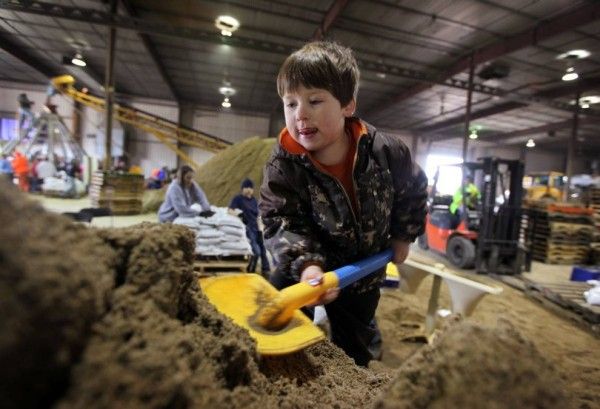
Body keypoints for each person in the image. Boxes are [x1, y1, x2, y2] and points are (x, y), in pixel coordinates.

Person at [259, 41, 428, 366]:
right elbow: (281, 218)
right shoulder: (283, 165)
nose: (300, 114)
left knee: (356, 344)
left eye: (315, 100)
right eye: (290, 103)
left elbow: (413, 190)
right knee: (286, 331)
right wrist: (307, 264)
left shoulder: (388, 152)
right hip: (304, 271)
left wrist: (403, 234)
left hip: (362, 270)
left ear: (347, 105)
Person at [229, 178, 271, 275]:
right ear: (242, 189)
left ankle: (266, 271)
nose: (248, 190)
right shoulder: (238, 199)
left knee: (263, 250)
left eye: (250, 188)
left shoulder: (254, 201)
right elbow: (230, 210)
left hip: (257, 228)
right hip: (248, 228)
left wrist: (261, 229)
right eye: (246, 187)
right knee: (256, 252)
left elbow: (258, 216)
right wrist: (239, 214)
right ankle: (250, 270)